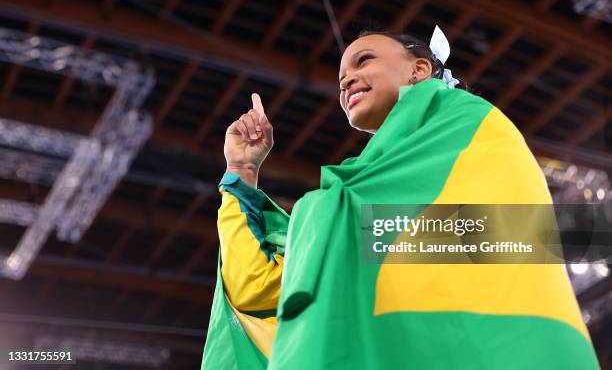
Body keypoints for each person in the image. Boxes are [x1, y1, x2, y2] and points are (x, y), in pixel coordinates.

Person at [202, 27, 599, 369]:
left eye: (364, 60)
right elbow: (260, 287)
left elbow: (513, 236)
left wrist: (341, 226)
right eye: (341, 75)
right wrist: (241, 172)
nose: (345, 80)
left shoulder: (471, 126)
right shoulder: (356, 200)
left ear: (419, 69)